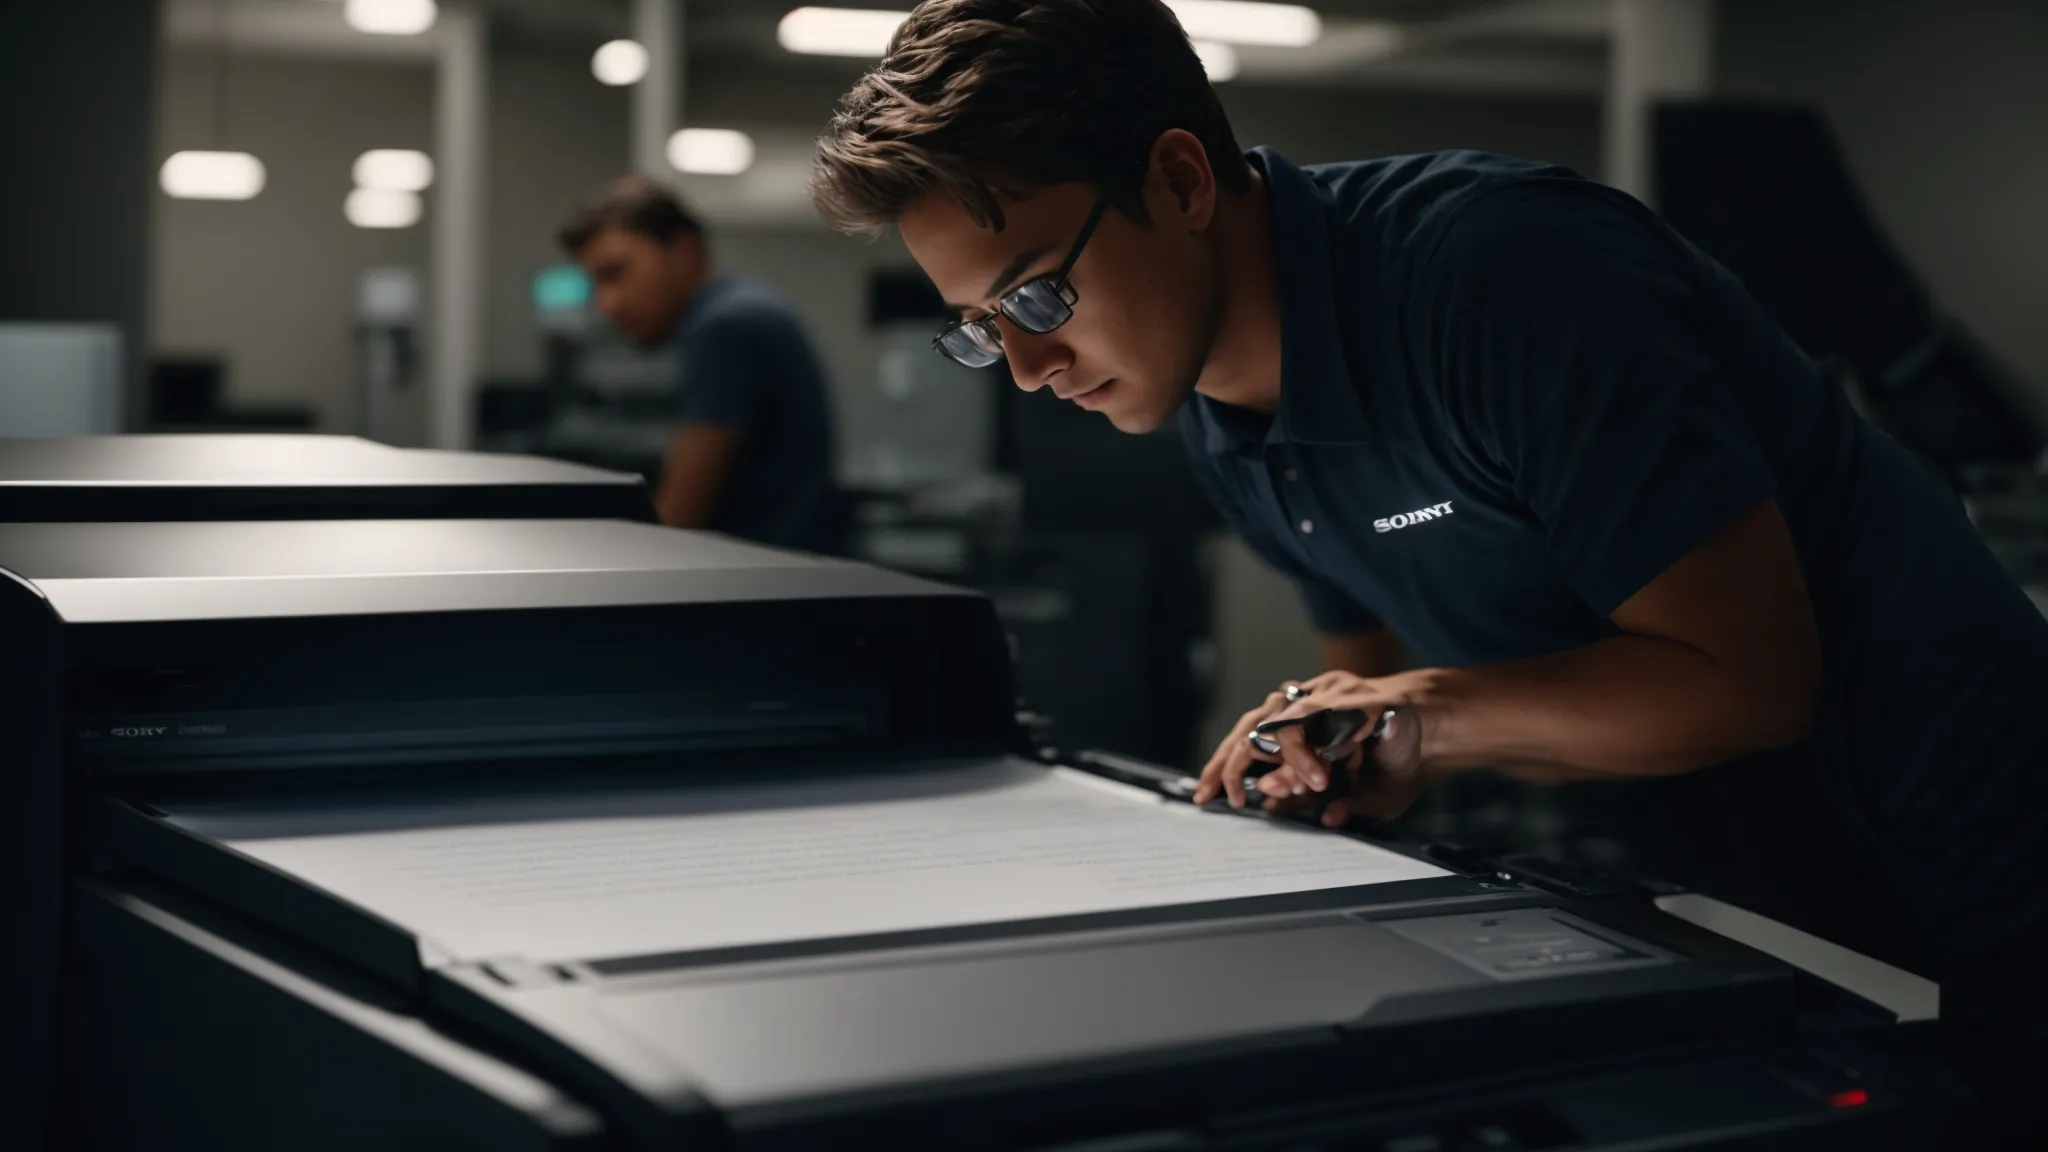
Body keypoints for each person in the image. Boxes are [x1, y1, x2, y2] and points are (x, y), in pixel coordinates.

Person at [807, 0, 2048, 1139]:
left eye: (1034, 301)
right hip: (1732, 861)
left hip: (1967, 843)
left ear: (1178, 178)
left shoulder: (1500, 279)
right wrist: (1339, 761)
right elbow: (1380, 676)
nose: (1027, 371)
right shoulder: (1218, 420)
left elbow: (1745, 681)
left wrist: (1419, 717)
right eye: (981, 332)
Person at [559, 176, 848, 554]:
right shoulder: (740, 308)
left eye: (617, 273)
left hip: (765, 591)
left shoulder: (726, 327)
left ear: (683, 249)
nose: (606, 303)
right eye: (596, 283)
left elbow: (678, 519)